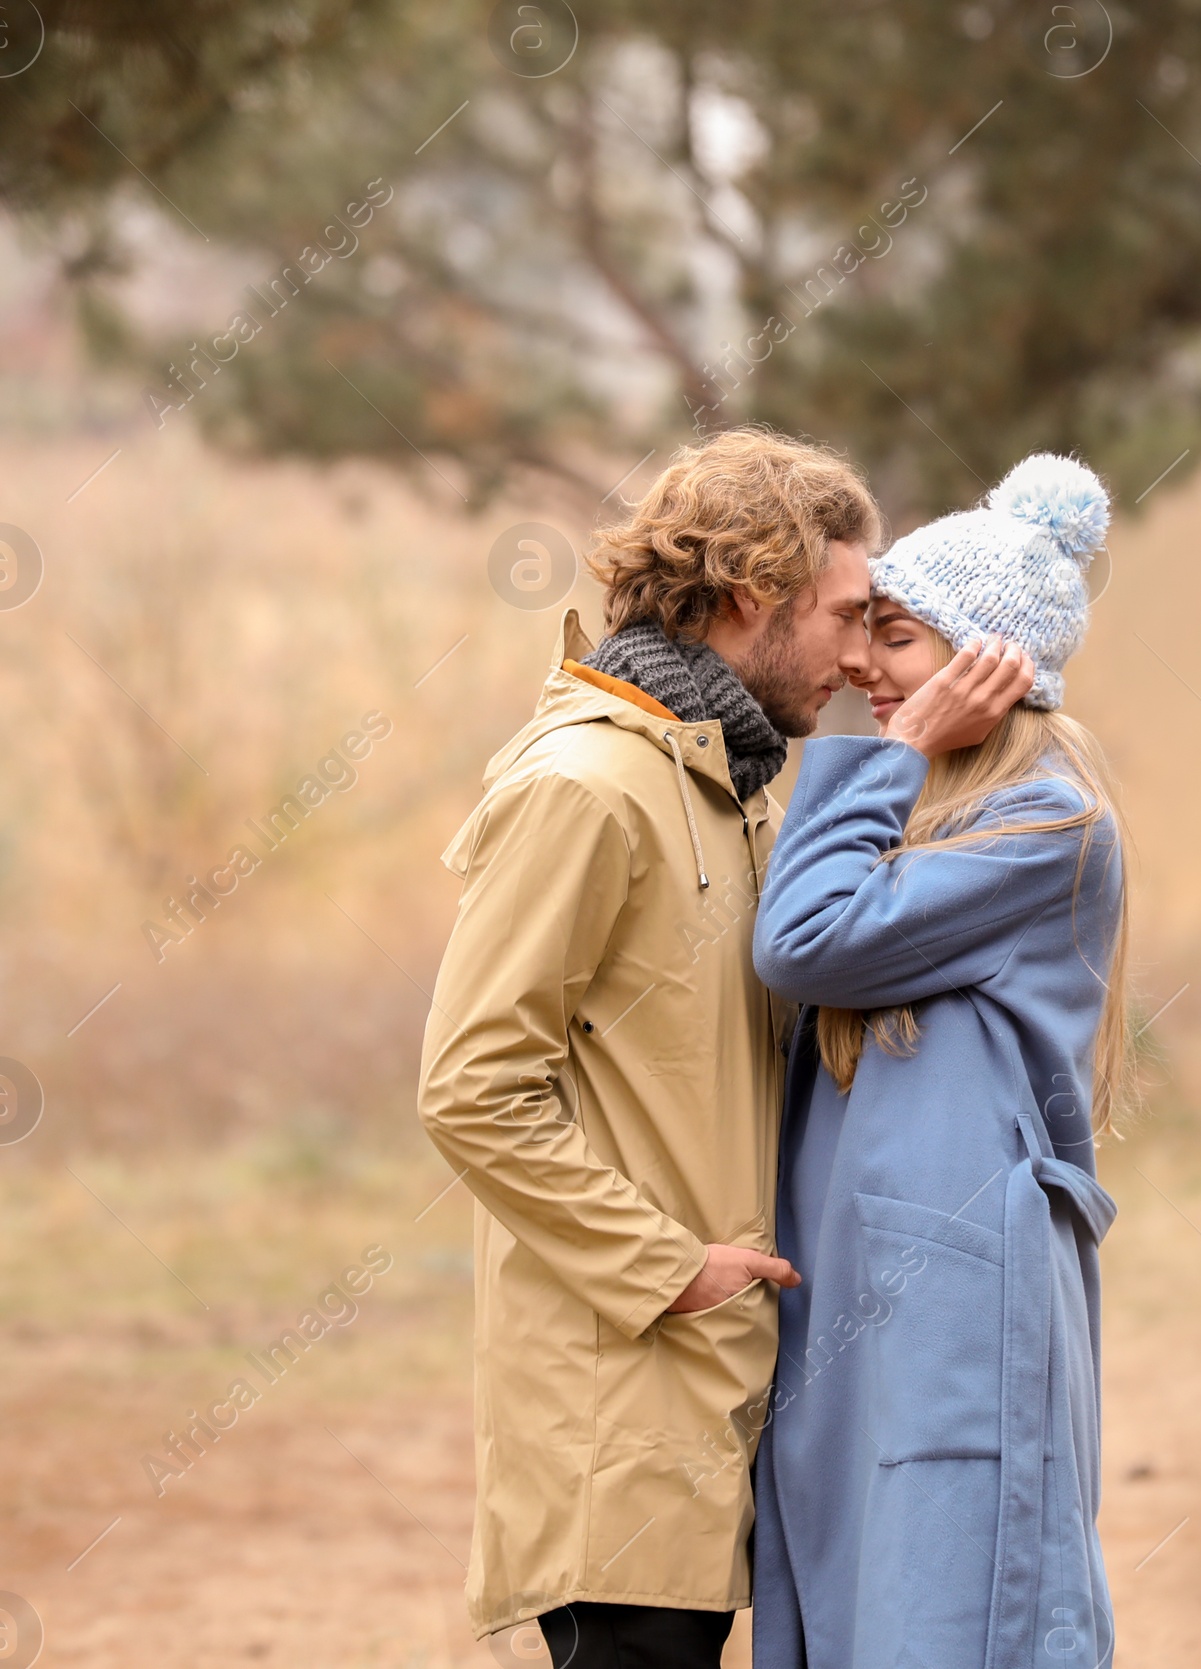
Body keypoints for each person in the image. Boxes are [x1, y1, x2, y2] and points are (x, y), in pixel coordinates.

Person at [416, 428, 882, 1668]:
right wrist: (669, 1267)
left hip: (723, 1383)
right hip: (616, 1400)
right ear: (748, 598)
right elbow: (471, 1088)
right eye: (843, 614)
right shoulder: (585, 785)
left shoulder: (737, 785)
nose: (855, 654)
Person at [750, 453, 1130, 1669]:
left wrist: (899, 743)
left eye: (896, 635)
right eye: (862, 627)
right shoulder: (917, 818)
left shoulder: (1045, 826)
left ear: (989, 669)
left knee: (947, 1616)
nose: (863, 662)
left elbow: (803, 944)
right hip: (864, 1296)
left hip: (956, 1308)